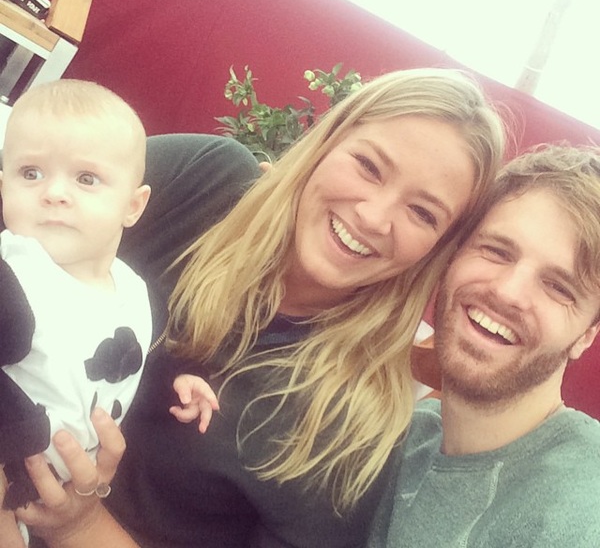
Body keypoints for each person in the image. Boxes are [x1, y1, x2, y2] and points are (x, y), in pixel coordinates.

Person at [8, 67, 506, 548]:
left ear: (439, 249)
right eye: (369, 166)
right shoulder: (201, 180)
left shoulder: (352, 427)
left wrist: (77, 529)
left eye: (422, 212)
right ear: (327, 143)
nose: (374, 217)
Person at [368, 144, 600, 548]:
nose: (507, 292)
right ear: (454, 256)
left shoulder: (582, 510)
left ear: (586, 335)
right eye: (496, 251)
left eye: (559, 287)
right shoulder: (405, 437)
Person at [0, 80, 158, 534]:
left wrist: (180, 384)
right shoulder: (15, 271)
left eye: (86, 178)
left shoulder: (132, 288)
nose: (54, 192)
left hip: (58, 500)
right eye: (31, 172)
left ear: (133, 205)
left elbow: (137, 366)